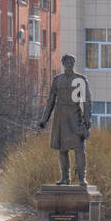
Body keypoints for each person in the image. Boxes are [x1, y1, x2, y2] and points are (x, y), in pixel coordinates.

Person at [38, 54, 91, 185]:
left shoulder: (80, 80)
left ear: (74, 63)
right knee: (62, 149)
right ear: (62, 63)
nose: (68, 64)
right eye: (66, 61)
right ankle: (65, 177)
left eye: (70, 61)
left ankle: (81, 177)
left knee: (79, 148)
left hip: (75, 116)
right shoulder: (58, 80)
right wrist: (44, 120)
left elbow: (86, 101)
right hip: (60, 117)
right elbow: (51, 101)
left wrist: (87, 119)